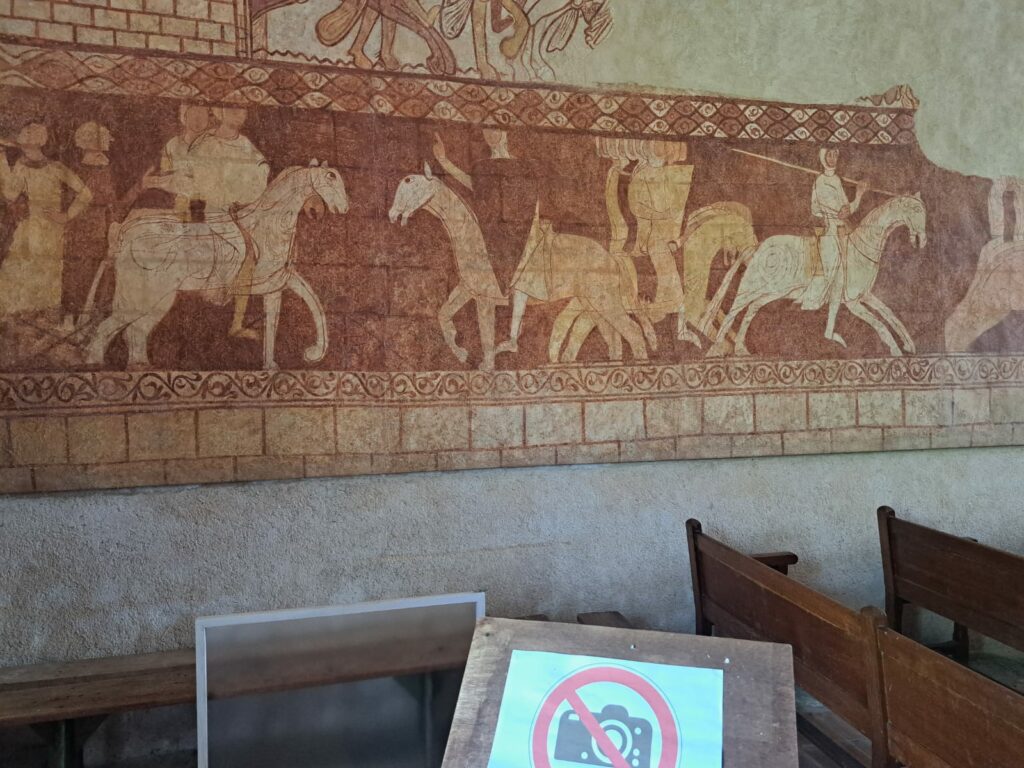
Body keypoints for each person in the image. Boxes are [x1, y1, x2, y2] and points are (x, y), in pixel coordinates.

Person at [143, 106, 270, 340]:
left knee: (251, 252)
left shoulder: (246, 145)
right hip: (206, 209)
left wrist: (241, 195)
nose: (239, 115)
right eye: (232, 109)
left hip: (232, 211)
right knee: (230, 249)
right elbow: (189, 179)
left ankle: (236, 323)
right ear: (219, 113)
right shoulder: (204, 143)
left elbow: (259, 176)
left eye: (242, 111)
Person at [432, 127, 539, 352]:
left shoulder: (522, 167)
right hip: (490, 236)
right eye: (486, 131)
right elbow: (473, 185)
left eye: (495, 129)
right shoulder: (482, 167)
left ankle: (512, 336)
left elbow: (532, 202)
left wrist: (530, 231)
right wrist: (443, 161)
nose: (490, 135)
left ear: (505, 133)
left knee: (522, 280)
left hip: (518, 235)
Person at [0, 123, 91, 326]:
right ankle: (23, 322)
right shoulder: (22, 166)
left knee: (47, 274)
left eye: (26, 135)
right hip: (31, 228)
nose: (21, 139)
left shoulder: (56, 167)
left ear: (36, 141)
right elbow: (10, 195)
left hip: (50, 231)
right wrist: (2, 160)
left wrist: (66, 215)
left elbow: (86, 193)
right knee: (20, 270)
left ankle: (42, 322)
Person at [800, 148, 867, 347]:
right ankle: (809, 302)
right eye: (829, 155)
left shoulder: (836, 180)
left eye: (836, 155)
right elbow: (829, 211)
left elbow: (847, 209)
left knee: (840, 283)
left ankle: (829, 330)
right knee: (828, 273)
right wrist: (852, 201)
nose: (833, 158)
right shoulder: (820, 181)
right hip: (830, 231)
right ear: (823, 157)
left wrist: (858, 195)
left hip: (841, 231)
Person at [64, 122, 119, 326]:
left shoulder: (105, 168)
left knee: (96, 271)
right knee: (77, 272)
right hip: (80, 227)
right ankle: (70, 316)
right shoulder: (78, 169)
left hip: (99, 227)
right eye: (102, 138)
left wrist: (112, 223)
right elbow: (83, 197)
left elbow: (110, 200)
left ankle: (87, 318)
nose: (106, 143)